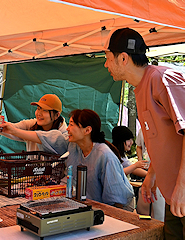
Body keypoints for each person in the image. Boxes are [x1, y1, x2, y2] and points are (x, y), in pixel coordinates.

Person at [104, 28, 185, 237]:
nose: (105, 65)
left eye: (107, 57)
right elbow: (163, 139)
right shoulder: (139, 88)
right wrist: (152, 174)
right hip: (172, 194)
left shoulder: (164, 79)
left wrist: (182, 188)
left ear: (123, 58)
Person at [0, 109, 134, 211]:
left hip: (115, 209)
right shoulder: (73, 145)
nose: (68, 129)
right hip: (89, 206)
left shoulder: (104, 155)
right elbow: (48, 138)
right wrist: (13, 131)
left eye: (72, 125)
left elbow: (116, 198)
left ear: (87, 130)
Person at [0, 94, 68, 151]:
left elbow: (41, 137)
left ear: (57, 115)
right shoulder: (32, 124)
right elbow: (13, 127)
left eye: (45, 110)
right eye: (38, 109)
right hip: (32, 174)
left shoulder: (62, 135)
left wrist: (13, 131)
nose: (39, 114)